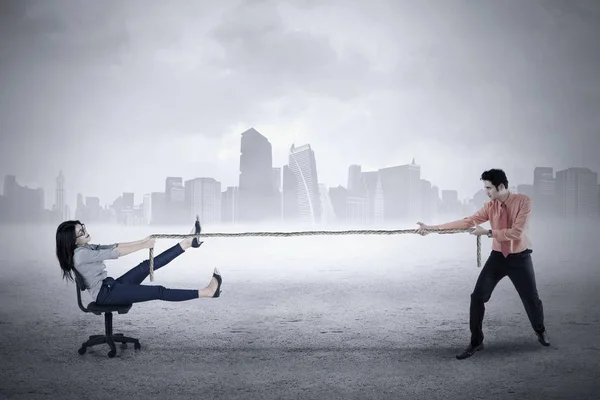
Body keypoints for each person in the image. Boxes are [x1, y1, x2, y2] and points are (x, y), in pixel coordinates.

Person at [416, 168, 549, 360]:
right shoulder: (491, 206)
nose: (486, 192)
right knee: (477, 297)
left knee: (531, 300)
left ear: (501, 186)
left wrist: (487, 233)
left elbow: (516, 232)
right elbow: (467, 222)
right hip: (497, 257)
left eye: (488, 188)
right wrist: (432, 229)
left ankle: (540, 330)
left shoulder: (523, 202)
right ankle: (476, 342)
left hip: (520, 258)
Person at [55, 217, 222, 306]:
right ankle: (207, 292)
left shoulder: (86, 248)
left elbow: (115, 245)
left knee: (144, 266)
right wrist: (143, 245)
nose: (85, 231)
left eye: (82, 227)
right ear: (72, 240)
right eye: (80, 232)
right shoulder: (81, 255)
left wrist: (143, 242)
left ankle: (187, 243)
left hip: (110, 286)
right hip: (106, 295)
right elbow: (117, 252)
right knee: (159, 291)